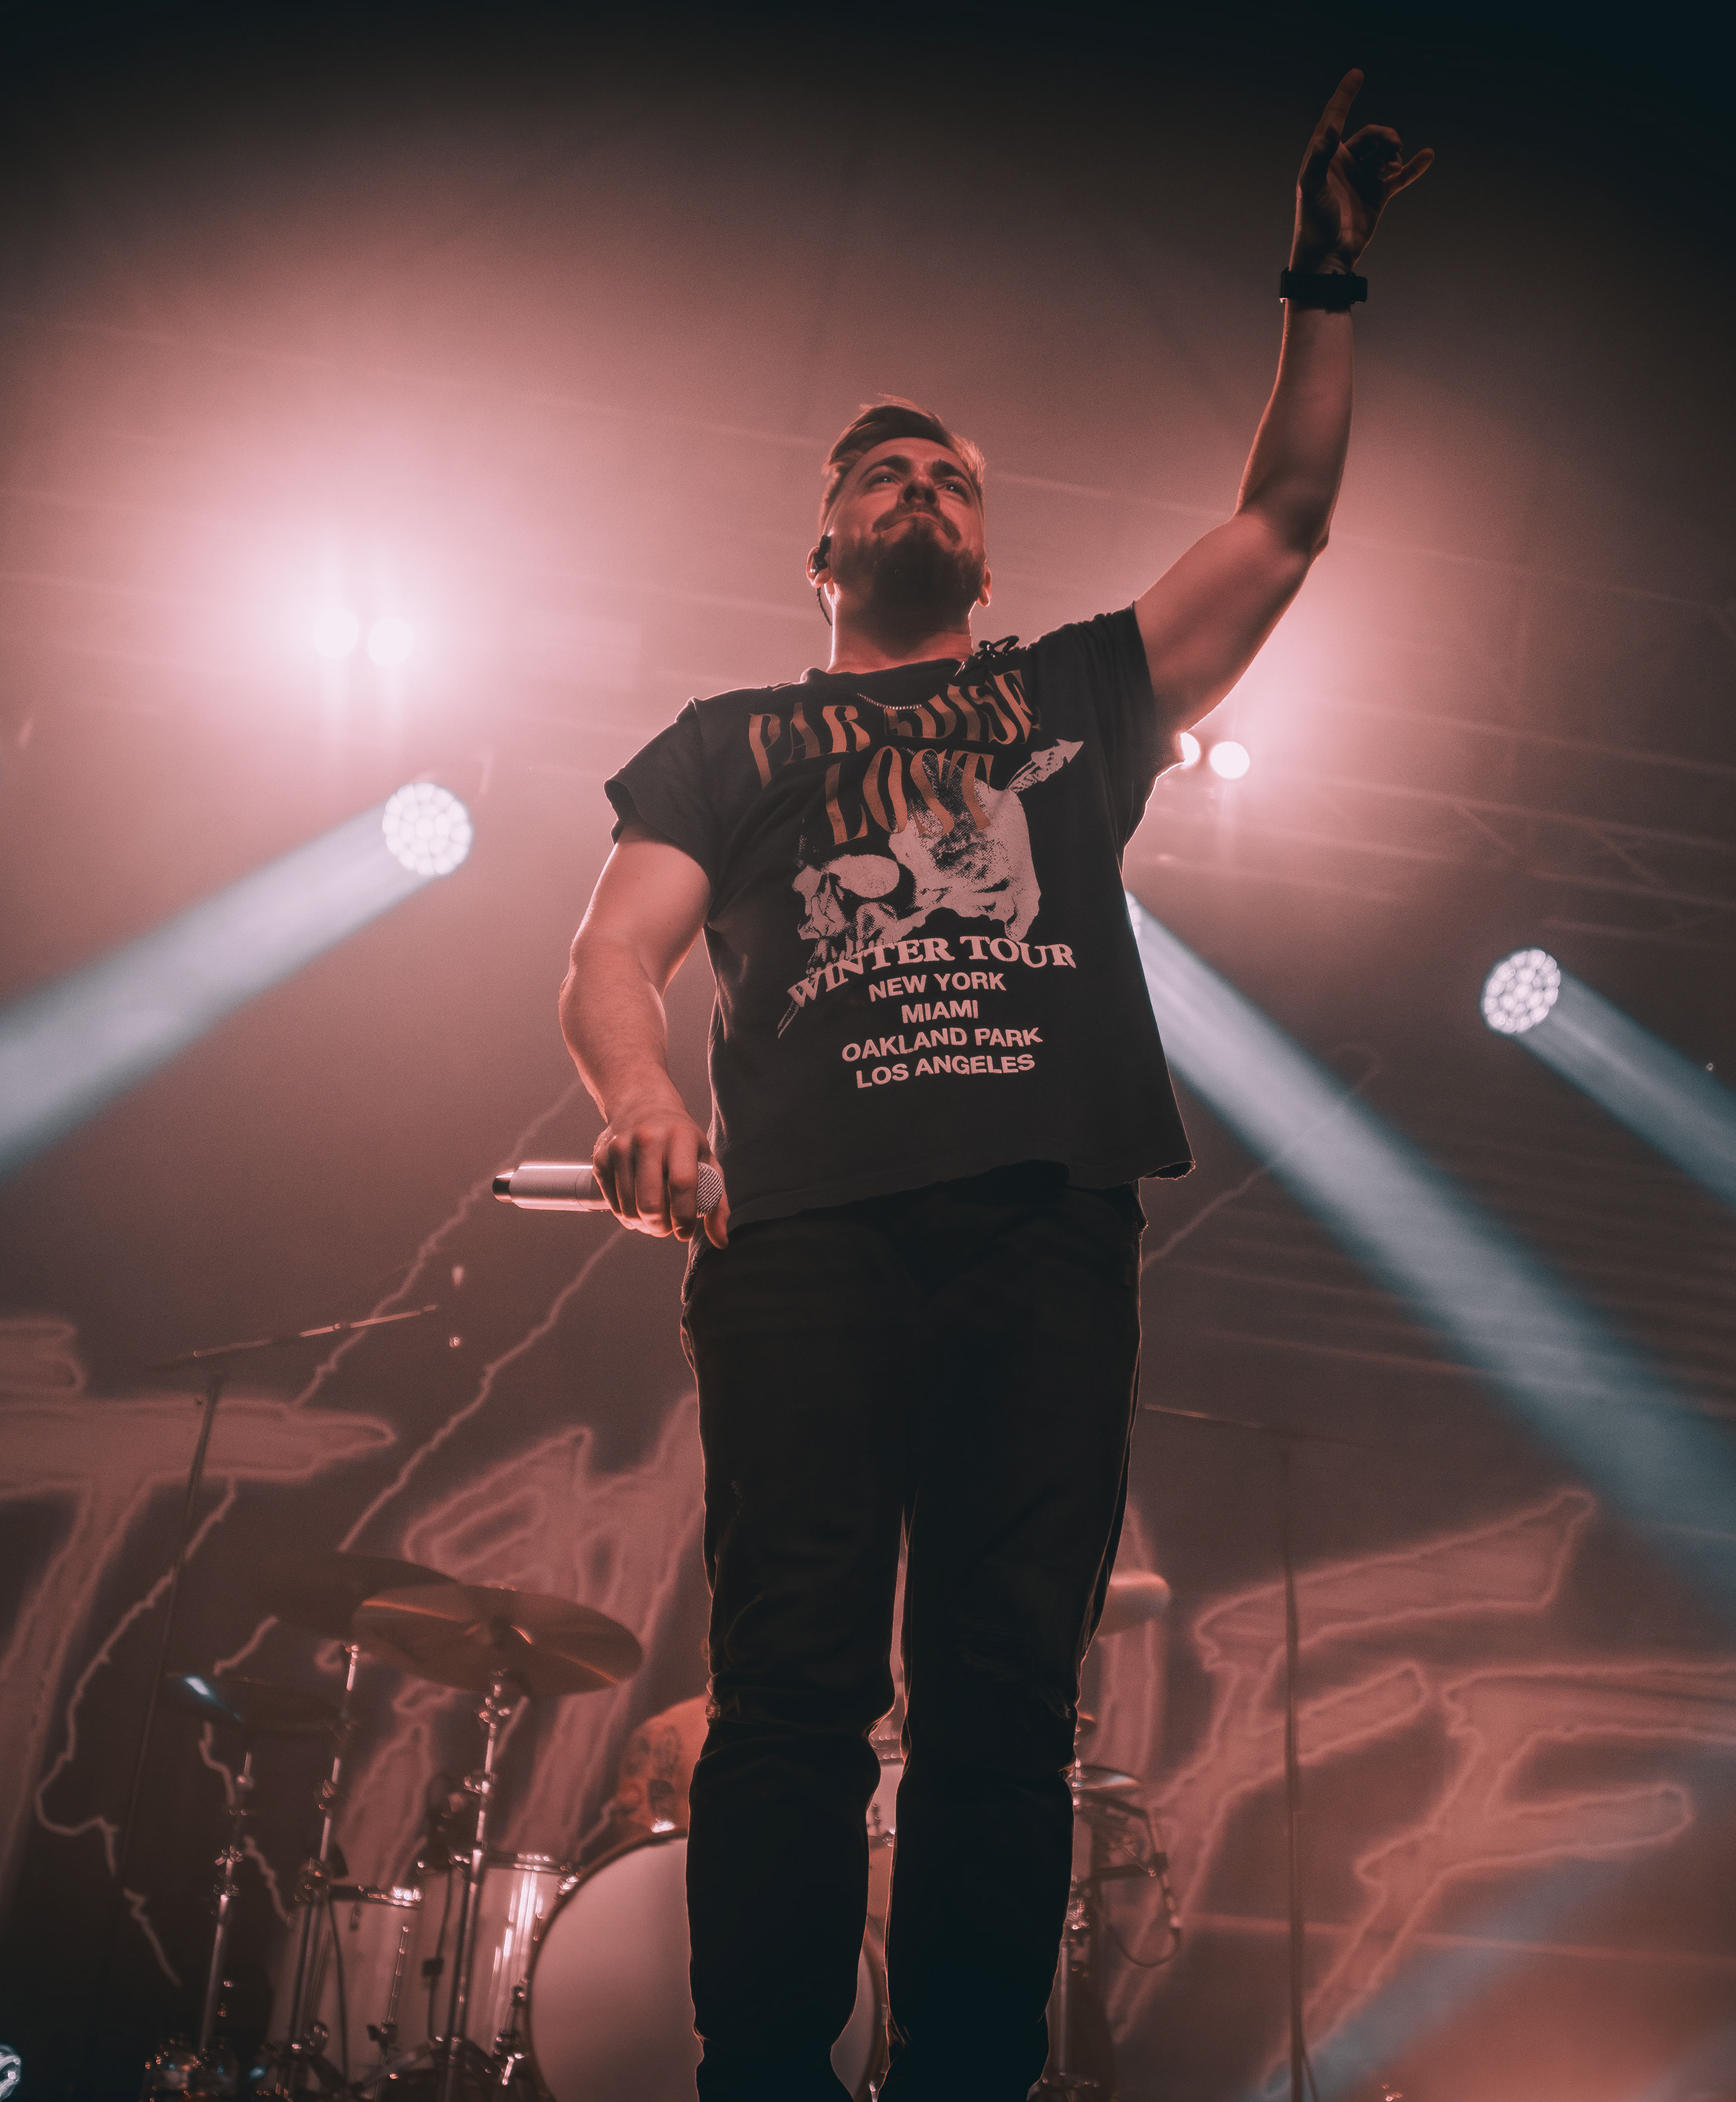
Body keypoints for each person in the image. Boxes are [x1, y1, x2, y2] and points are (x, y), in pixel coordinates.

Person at [557, 73, 1430, 2101]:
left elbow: (1286, 523)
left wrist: (1323, 277)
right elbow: (610, 954)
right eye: (884, 474)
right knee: (789, 1688)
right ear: (823, 544)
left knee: (1004, 1701)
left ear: (984, 536)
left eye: (951, 475)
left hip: (1042, 1229)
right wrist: (641, 1097)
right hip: (799, 1244)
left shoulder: (1071, 695)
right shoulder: (728, 738)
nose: (922, 490)